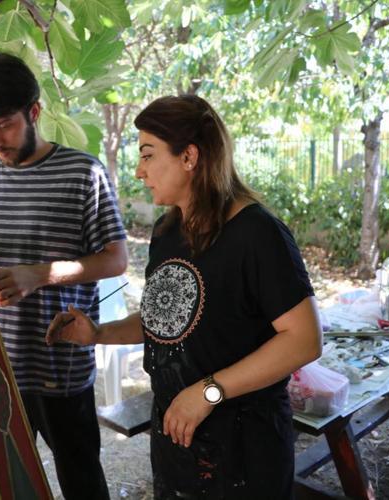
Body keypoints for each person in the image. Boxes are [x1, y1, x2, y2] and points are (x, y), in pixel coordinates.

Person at [47, 95, 322, 499]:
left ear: (189, 156)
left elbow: (304, 339)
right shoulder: (168, 231)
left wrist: (208, 391)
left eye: (148, 154)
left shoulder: (257, 234)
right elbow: (169, 319)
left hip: (242, 448)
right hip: (177, 436)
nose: (139, 170)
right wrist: (99, 333)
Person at [0, 53, 128, 500]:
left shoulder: (83, 173)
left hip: (60, 363)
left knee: (81, 480)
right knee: (3, 482)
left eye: (5, 125)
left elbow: (116, 260)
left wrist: (40, 275)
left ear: (33, 112)